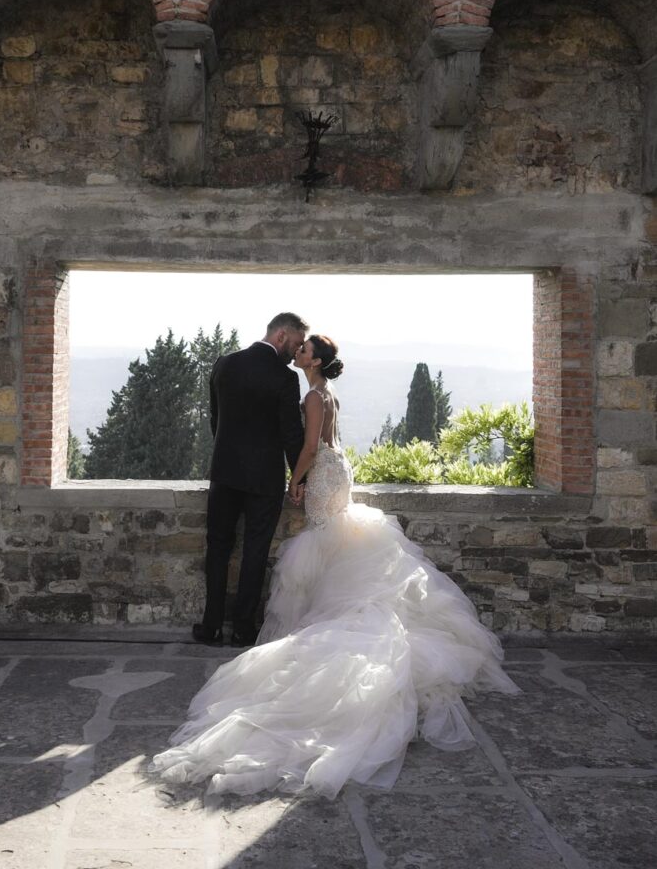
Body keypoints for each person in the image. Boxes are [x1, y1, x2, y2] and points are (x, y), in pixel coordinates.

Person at [154, 335, 519, 798]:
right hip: (339, 470)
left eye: (304, 350)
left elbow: (308, 446)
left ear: (316, 360)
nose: (297, 353)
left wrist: (295, 481)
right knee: (337, 543)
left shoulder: (310, 394)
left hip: (322, 473)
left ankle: (326, 621)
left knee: (321, 541)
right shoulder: (329, 392)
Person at [193, 312, 308, 648]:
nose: (296, 351)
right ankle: (243, 628)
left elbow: (216, 419)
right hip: (264, 479)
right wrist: (299, 479)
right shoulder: (284, 378)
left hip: (225, 472)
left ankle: (211, 626)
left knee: (217, 547)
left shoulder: (225, 364)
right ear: (282, 336)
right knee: (255, 551)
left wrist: (228, 455)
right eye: (297, 343)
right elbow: (291, 435)